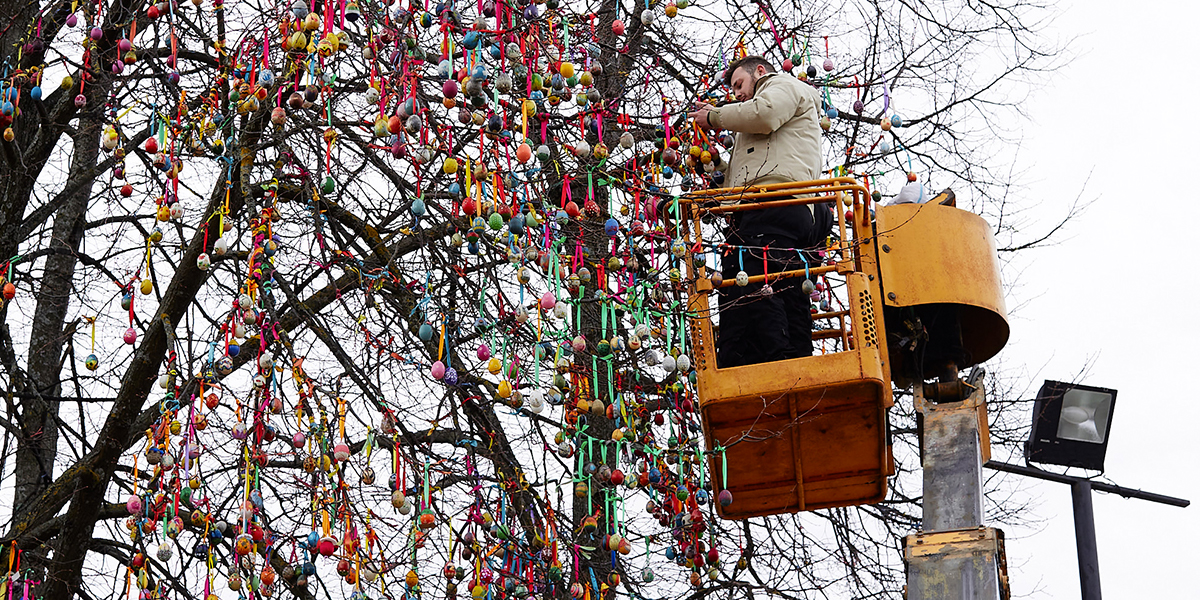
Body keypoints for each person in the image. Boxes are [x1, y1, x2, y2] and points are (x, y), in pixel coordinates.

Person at [688, 56, 832, 368]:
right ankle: (797, 360)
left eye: (739, 84)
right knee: (785, 284)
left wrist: (713, 116)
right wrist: (718, 167)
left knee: (753, 279)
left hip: (773, 203)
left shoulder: (781, 86)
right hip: (775, 204)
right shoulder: (756, 126)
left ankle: (775, 362)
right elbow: (748, 175)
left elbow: (765, 115)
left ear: (761, 72)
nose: (737, 93)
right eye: (733, 89)